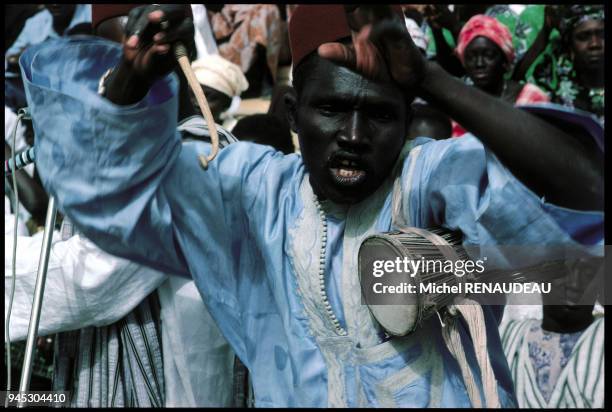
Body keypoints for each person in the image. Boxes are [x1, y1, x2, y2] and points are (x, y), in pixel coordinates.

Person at [20, 4, 603, 408]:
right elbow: (104, 189)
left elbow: (586, 196)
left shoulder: (429, 177)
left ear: (407, 121)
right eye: (331, 110)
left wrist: (434, 80)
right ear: (293, 113)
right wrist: (127, 87)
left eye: (379, 115)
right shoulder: (253, 192)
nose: (353, 134)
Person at [6, 5, 236, 407]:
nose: (119, 81)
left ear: (178, 58)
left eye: (139, 63)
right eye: (111, 66)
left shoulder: (201, 154)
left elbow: (91, 278)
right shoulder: (102, 157)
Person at [500, 260, 604, 408]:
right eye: (562, 272)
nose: (574, 284)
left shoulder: (600, 336)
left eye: (588, 273)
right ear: (541, 276)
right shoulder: (506, 338)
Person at [452, 15, 550, 137]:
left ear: (504, 60)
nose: (479, 63)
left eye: (489, 55)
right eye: (471, 57)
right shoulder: (459, 103)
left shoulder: (531, 98)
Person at [513, 5, 604, 124]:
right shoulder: (555, 88)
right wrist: (546, 30)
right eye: (583, 37)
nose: (594, 44)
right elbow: (514, 82)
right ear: (570, 45)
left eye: (602, 34)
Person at [192, 54, 249, 130]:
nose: (197, 103)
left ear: (227, 104)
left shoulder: (234, 134)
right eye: (192, 94)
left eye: (208, 98)